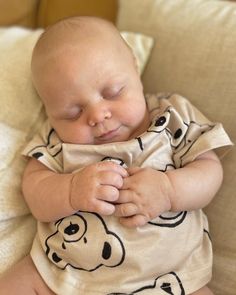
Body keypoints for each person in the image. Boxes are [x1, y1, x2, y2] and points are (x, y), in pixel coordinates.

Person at [0, 16, 232, 295]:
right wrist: (71, 190)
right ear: (49, 111)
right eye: (73, 113)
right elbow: (35, 193)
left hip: (171, 279)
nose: (98, 116)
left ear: (134, 67)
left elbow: (209, 168)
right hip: (63, 277)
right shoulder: (55, 142)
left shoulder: (172, 117)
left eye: (113, 93)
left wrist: (169, 189)